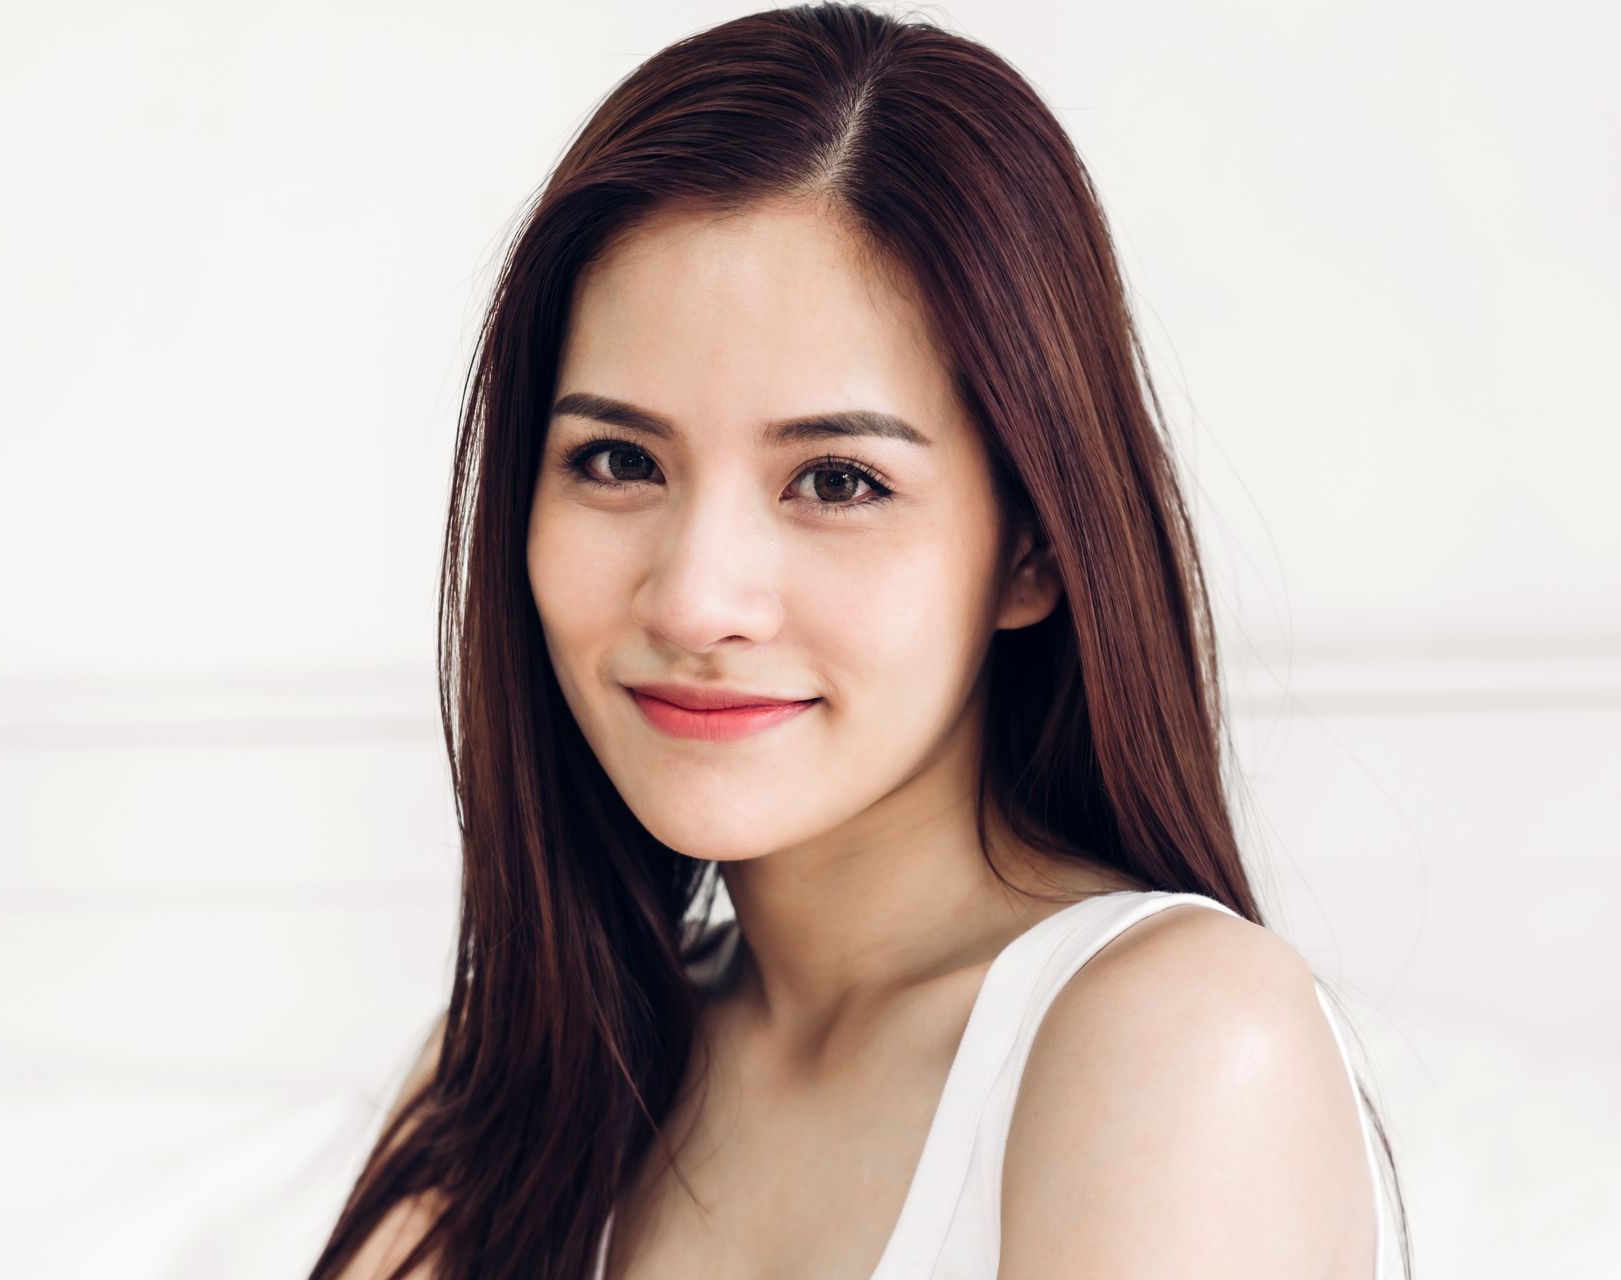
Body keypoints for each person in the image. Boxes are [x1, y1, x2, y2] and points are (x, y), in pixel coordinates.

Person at [311, 5, 1407, 1278]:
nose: (695, 598)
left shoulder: (1176, 1037)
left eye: (835, 481)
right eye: (617, 459)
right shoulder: (514, 1079)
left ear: (1035, 546)